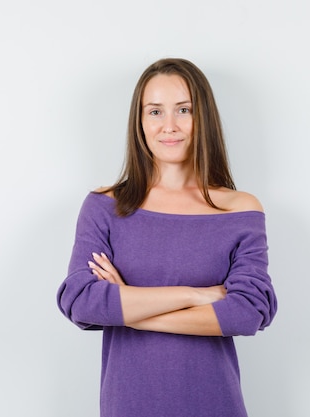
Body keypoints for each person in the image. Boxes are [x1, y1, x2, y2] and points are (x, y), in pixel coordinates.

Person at [56, 57, 277, 417]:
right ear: (140, 121)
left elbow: (248, 312)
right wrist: (195, 295)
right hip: (128, 406)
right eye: (155, 112)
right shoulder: (105, 206)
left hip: (214, 403)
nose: (169, 126)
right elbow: (81, 301)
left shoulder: (239, 209)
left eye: (184, 110)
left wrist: (126, 308)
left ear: (203, 117)